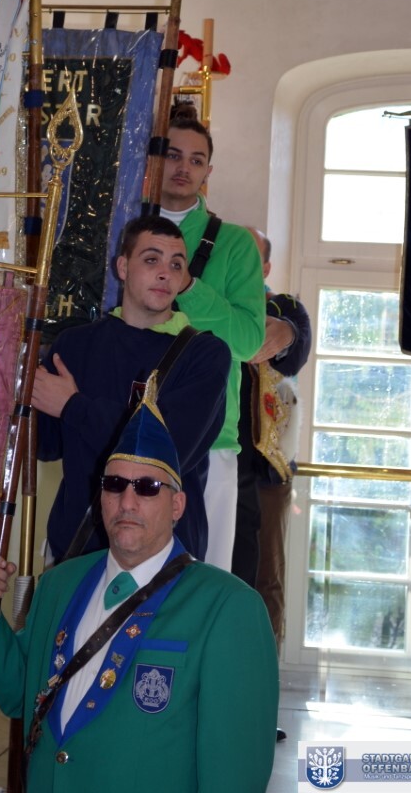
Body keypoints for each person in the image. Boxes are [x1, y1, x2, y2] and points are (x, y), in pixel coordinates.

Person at [0, 400, 279, 792]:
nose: (127, 501)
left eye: (147, 487)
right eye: (114, 484)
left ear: (177, 505)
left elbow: (235, 774)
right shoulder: (58, 584)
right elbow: (20, 694)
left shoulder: (228, 608)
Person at [34, 213, 230, 563]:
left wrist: (73, 406)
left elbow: (165, 451)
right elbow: (46, 446)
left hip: (163, 557)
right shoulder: (74, 345)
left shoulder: (205, 355)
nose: (165, 273)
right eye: (152, 260)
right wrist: (20, 387)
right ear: (122, 267)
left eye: (176, 265)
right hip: (77, 550)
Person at [159, 105, 266, 570]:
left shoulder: (236, 244)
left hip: (212, 438)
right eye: (172, 154)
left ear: (208, 171)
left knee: (200, 582)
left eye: (196, 159)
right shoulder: (120, 225)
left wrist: (188, 287)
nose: (184, 168)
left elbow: (248, 341)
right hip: (120, 423)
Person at [232, 229, 311, 656]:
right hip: (213, 461)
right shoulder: (210, 299)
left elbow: (292, 347)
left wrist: (282, 330)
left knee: (265, 578)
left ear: (265, 267)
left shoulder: (284, 308)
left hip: (266, 468)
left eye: (250, 255)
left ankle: (261, 678)